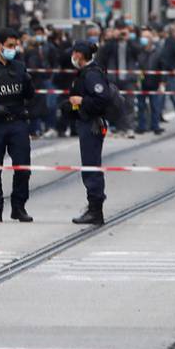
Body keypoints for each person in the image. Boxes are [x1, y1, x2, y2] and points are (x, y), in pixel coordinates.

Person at [0, 28, 34, 223]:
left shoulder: (19, 67)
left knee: (23, 167)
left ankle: (19, 207)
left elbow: (29, 96)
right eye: (10, 46)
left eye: (15, 45)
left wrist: (29, 83)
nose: (13, 49)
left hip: (18, 122)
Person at [66, 40, 117, 225]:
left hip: (92, 124)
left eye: (74, 53)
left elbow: (101, 99)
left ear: (79, 55)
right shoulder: (86, 72)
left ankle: (96, 209)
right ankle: (94, 207)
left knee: (91, 166)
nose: (72, 56)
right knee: (89, 165)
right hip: (86, 122)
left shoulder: (92, 74)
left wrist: (81, 101)